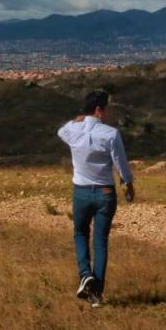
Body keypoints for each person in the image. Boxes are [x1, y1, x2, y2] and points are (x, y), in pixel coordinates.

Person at [58, 91, 135, 307]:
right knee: (100, 241)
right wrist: (127, 184)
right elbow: (120, 162)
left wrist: (77, 119)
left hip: (81, 191)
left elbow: (60, 131)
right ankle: (96, 294)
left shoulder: (72, 130)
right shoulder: (110, 133)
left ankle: (85, 274)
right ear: (99, 110)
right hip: (105, 193)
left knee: (80, 233)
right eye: (106, 108)